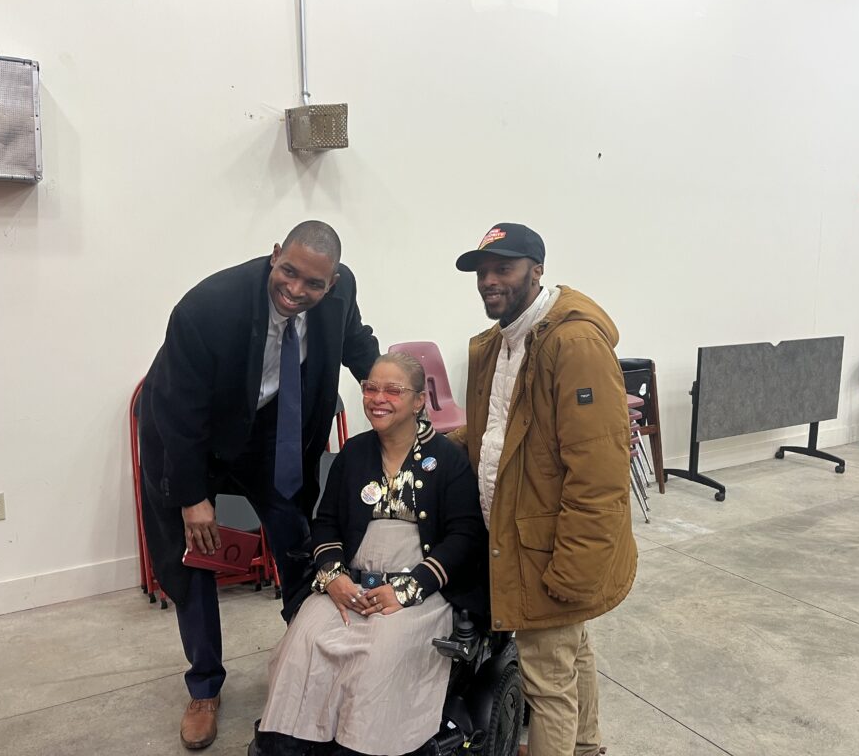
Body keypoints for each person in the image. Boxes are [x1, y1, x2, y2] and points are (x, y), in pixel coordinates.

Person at [138, 220, 379, 750]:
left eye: (312, 284)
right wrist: (192, 497)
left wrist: (388, 390)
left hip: (269, 433)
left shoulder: (341, 295)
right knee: (195, 557)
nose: (295, 291)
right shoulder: (208, 306)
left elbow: (357, 345)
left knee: (299, 543)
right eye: (288, 272)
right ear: (274, 256)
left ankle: (311, 656)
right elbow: (177, 411)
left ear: (332, 282)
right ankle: (204, 688)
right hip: (190, 438)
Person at [449, 223, 638, 756]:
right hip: (515, 531)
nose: (489, 281)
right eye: (482, 272)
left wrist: (576, 569)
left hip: (547, 547)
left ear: (537, 270)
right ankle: (585, 745)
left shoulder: (573, 344)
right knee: (569, 651)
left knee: (546, 684)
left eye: (502, 269)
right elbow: (497, 432)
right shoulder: (498, 343)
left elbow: (600, 470)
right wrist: (437, 441)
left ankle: (570, 743)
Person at [252, 352, 488, 756]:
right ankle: (289, 744)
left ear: (418, 401)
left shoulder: (448, 461)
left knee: (379, 657)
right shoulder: (354, 453)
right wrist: (333, 576)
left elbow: (465, 536)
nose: (378, 398)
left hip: (419, 593)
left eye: (392, 390)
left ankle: (360, 746)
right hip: (351, 585)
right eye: (370, 388)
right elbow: (325, 523)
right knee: (301, 644)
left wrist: (408, 589)